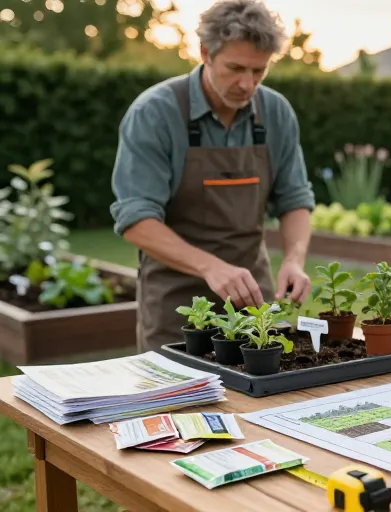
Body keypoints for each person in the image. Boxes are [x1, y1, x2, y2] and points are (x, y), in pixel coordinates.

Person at [110, 0, 315, 353]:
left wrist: (294, 261)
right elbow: (135, 219)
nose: (247, 84)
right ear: (205, 52)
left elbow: (294, 199)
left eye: (259, 70)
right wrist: (211, 267)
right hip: (176, 306)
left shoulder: (276, 112)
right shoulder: (155, 113)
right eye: (235, 68)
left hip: (254, 300)